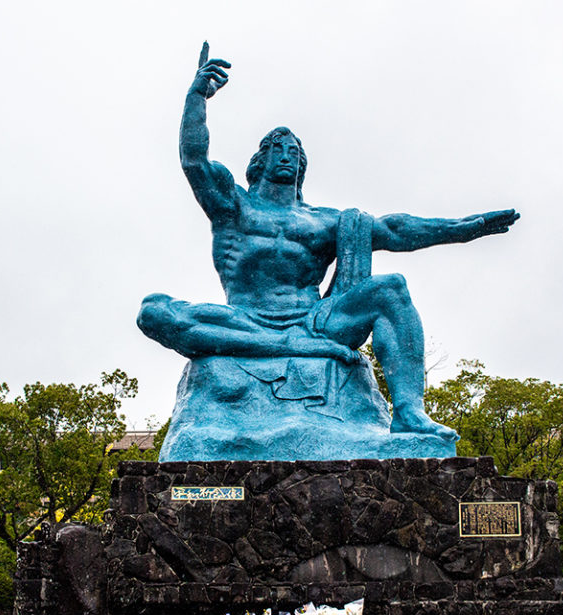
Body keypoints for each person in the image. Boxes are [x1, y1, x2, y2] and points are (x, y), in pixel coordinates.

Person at [138, 44, 518, 442]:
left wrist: (462, 228)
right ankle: (280, 344)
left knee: (392, 290)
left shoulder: (324, 221)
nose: (287, 156)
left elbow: (395, 230)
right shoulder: (234, 206)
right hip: (245, 318)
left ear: (302, 166)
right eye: (277, 149)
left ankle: (409, 413)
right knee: (154, 311)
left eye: (295, 152)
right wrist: (196, 97)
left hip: (314, 322)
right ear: (260, 160)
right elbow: (194, 160)